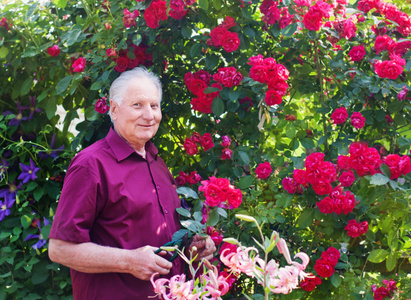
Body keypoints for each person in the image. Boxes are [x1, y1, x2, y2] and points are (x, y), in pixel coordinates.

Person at [48, 67, 216, 299]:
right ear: (114, 110)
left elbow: (160, 241)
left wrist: (192, 249)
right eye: (137, 105)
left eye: (154, 106)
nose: (149, 115)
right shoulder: (90, 165)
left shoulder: (157, 163)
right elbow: (60, 250)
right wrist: (129, 261)